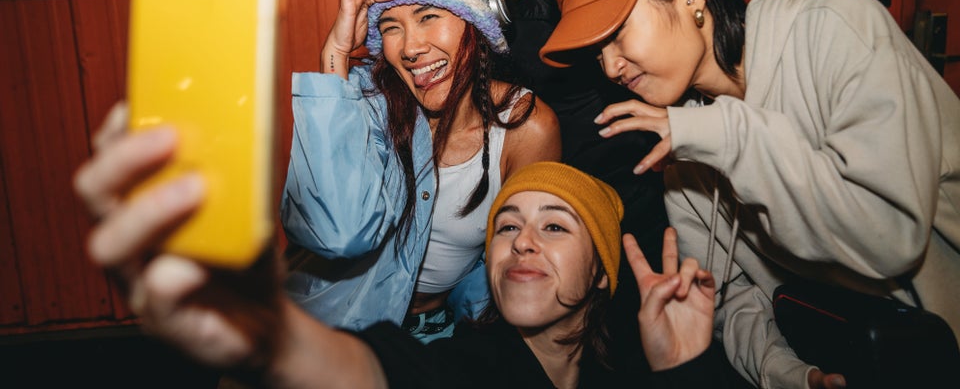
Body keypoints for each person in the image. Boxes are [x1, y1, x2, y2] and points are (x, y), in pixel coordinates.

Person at [406, 0, 800, 371]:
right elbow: (404, 31)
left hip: (708, 193)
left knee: (732, 345)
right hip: (589, 230)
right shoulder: (510, 1)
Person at [538, 0, 960, 389]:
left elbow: (891, 240)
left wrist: (725, 136)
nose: (610, 67)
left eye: (616, 34)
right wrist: (790, 373)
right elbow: (729, 295)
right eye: (598, 53)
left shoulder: (837, 31)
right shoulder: (686, 146)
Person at [73, 120, 731, 388]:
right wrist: (272, 336)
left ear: (600, 275)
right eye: (506, 227)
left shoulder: (640, 372)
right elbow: (372, 372)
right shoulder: (464, 366)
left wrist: (685, 372)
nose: (522, 241)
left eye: (556, 228)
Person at [280, 0, 561, 341]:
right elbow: (334, 232)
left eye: (428, 16)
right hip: (326, 325)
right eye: (391, 27)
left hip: (441, 333)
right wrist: (336, 54)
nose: (410, 47)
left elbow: (522, 259)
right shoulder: (365, 104)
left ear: (477, 21)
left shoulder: (526, 127)